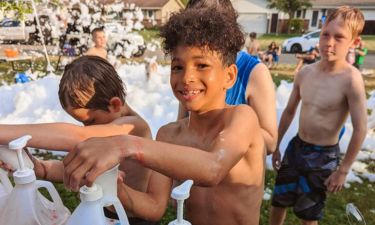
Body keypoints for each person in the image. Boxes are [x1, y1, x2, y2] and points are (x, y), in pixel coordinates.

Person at [62, 7, 266, 225]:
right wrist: (115, 188)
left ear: (230, 76)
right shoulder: (169, 135)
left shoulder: (242, 118)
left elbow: (212, 168)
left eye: (202, 65)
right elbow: (153, 208)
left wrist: (126, 145)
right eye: (177, 67)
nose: (187, 77)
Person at [0, 56, 166, 225]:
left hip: (135, 220)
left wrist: (5, 132)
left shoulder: (133, 126)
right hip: (104, 213)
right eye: (82, 123)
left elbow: (78, 136)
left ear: (115, 105)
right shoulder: (108, 128)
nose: (87, 128)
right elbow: (77, 167)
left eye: (91, 121)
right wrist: (41, 168)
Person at [270, 6, 367, 225]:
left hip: (323, 157)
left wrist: (343, 170)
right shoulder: (305, 73)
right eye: (325, 34)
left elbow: (360, 129)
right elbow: (289, 111)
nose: (329, 42)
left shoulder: (351, 80)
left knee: (309, 213)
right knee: (279, 201)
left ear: (353, 42)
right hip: (296, 148)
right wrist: (276, 145)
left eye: (339, 37)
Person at [178, 0, 277, 154]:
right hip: (198, 170)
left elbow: (270, 142)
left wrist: (223, 133)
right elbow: (183, 126)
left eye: (208, 29)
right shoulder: (189, 74)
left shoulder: (255, 72)